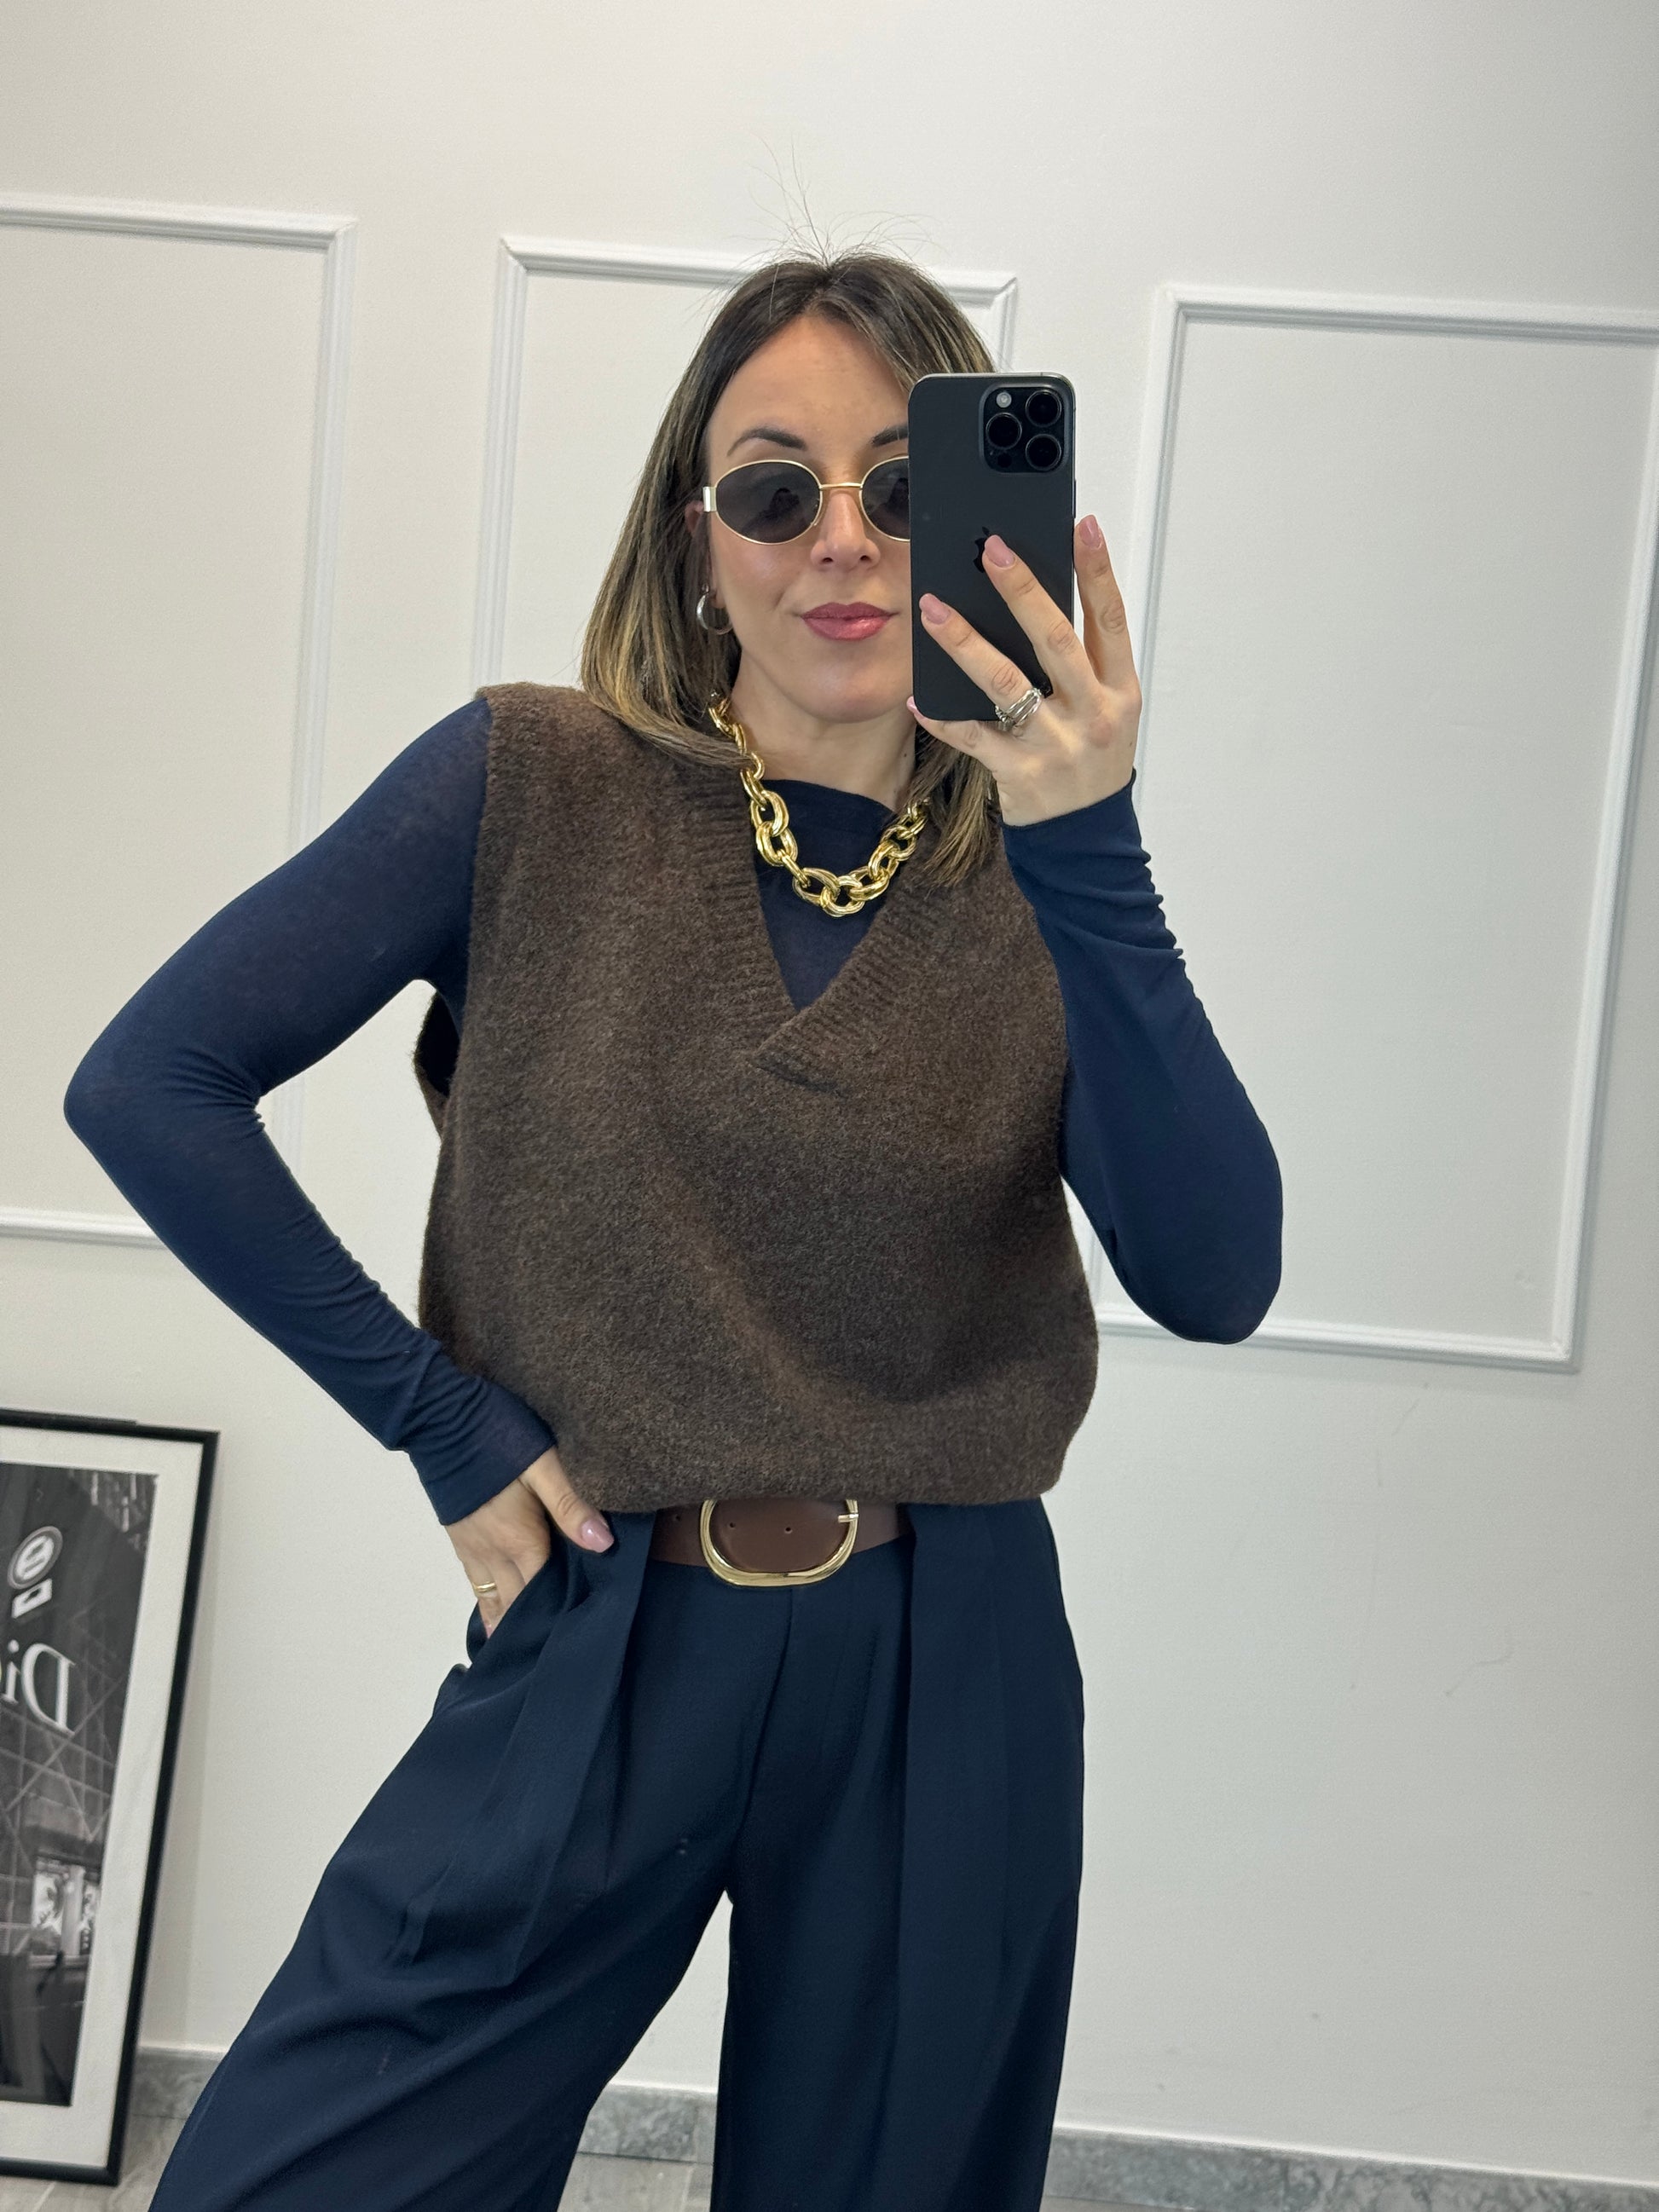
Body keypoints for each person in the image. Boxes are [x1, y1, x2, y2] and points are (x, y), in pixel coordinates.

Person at [64, 248, 1281, 2212]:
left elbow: (1215, 1277)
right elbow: (152, 1081)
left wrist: (1090, 835)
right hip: (604, 1611)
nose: (844, 540)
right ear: (696, 534)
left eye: (905, 483)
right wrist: (438, 1418)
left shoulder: (1045, 874)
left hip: (944, 1654)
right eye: (778, 487)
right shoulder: (528, 784)